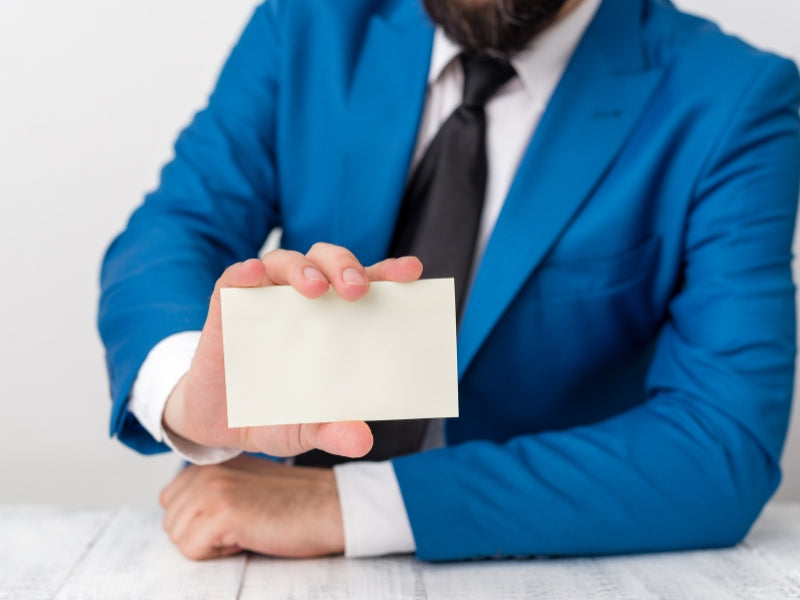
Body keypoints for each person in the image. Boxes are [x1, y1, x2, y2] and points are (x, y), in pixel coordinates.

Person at [98, 0, 800, 561]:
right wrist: (193, 393)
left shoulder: (732, 100)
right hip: (261, 551)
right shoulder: (307, 22)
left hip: (545, 565)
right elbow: (172, 233)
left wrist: (350, 504)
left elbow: (719, 444)